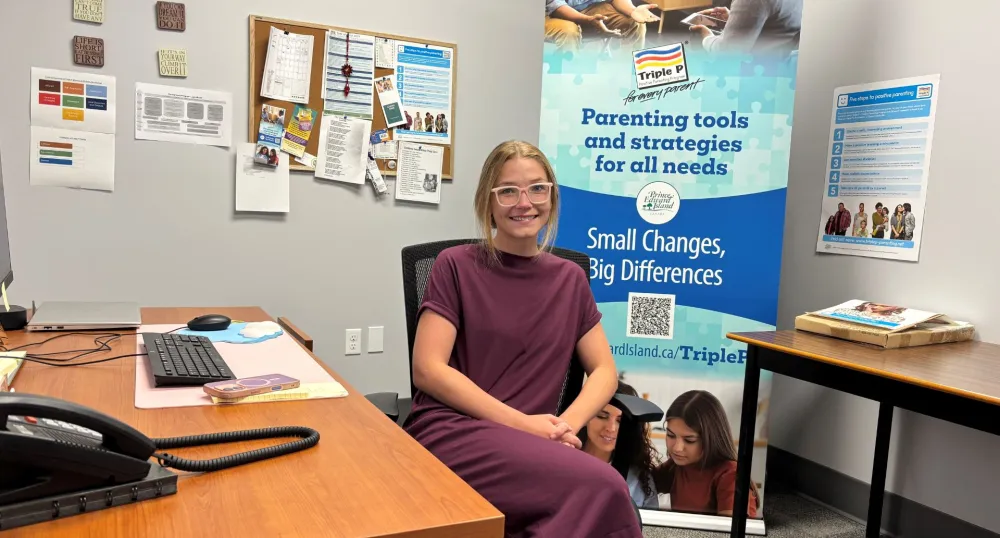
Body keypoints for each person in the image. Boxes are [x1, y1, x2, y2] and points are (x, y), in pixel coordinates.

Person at [403, 140, 642, 537]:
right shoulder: (454, 266)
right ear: (488, 202)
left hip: (537, 440)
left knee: (582, 495)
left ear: (552, 196)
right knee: (604, 487)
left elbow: (604, 371)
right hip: (455, 431)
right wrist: (528, 427)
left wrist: (564, 427)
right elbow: (427, 369)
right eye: (508, 190)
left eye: (537, 188)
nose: (524, 202)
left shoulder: (570, 279)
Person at [652, 390, 759, 517]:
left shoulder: (730, 475)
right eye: (670, 435)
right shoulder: (677, 466)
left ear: (711, 438)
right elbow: (638, 483)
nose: (677, 448)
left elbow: (730, 532)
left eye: (689, 440)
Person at [580, 380, 660, 509]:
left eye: (620, 420)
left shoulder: (640, 479)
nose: (611, 428)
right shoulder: (562, 462)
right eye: (602, 416)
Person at [688, 0, 802, 54]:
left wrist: (706, 37)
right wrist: (738, 19)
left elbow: (728, 53)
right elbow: (778, 24)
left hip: (752, 76)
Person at [544, 0, 658, 52]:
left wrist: (633, 11)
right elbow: (555, 6)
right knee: (568, 32)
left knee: (635, 23)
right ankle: (565, 89)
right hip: (548, 13)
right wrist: (588, 20)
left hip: (592, 7)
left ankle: (629, 83)